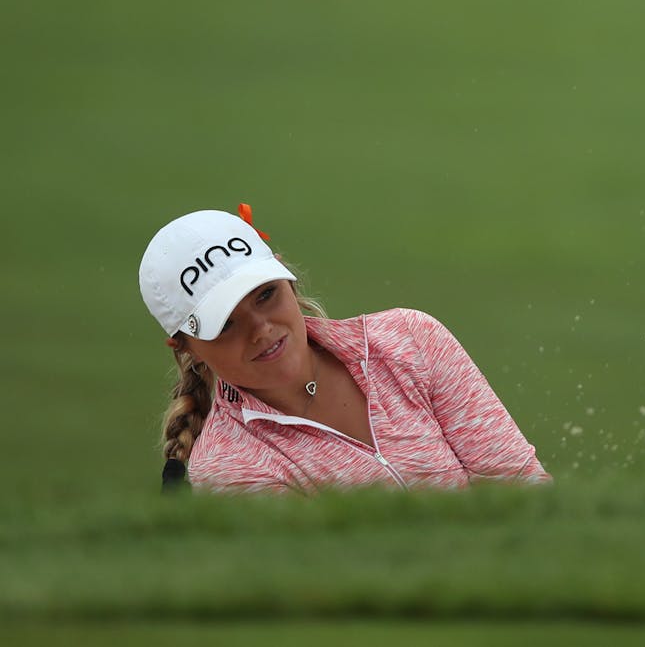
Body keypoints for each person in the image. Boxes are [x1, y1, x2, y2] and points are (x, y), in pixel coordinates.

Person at [139, 206, 550, 493]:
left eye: (265, 295)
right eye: (225, 323)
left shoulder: (410, 339)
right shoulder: (231, 469)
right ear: (186, 346)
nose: (261, 330)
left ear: (288, 281)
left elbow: (522, 490)